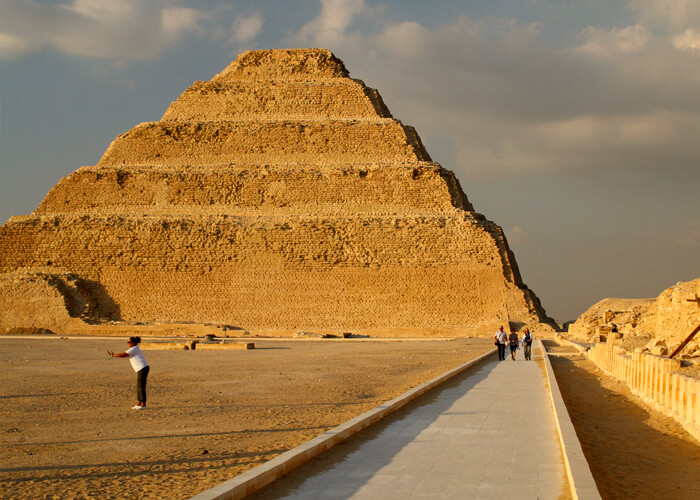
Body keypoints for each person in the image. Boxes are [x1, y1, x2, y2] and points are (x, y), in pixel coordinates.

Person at [108, 337, 150, 410]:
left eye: (129, 342)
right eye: (128, 342)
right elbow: (126, 355)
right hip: (141, 369)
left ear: (133, 342)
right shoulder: (134, 349)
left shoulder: (133, 349)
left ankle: (143, 404)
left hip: (142, 368)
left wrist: (113, 355)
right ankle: (139, 403)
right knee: (138, 386)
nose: (128, 344)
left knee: (141, 386)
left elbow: (123, 355)